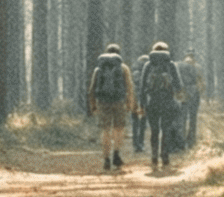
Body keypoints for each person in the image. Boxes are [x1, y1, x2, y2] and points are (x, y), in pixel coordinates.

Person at [134, 41, 184, 170]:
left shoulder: (148, 64)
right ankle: (165, 158)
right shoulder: (171, 64)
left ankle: (154, 158)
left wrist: (142, 104)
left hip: (152, 102)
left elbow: (142, 86)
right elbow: (179, 85)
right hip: (168, 101)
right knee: (166, 129)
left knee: (154, 131)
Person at [86, 43, 134, 171]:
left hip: (103, 102)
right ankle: (116, 154)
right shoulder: (124, 68)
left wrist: (93, 105)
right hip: (119, 101)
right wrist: (130, 103)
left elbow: (92, 89)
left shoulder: (98, 69)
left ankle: (106, 159)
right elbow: (129, 87)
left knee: (105, 131)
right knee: (119, 129)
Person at [178, 51, 205, 154]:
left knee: (183, 118)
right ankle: (191, 141)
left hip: (183, 95)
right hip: (194, 95)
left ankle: (181, 142)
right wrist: (199, 92)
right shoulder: (198, 67)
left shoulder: (180, 66)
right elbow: (201, 82)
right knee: (193, 118)